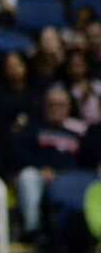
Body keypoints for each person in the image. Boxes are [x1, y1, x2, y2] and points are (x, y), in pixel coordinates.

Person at [13, 85, 83, 240]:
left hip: (71, 180)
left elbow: (84, 161)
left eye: (60, 105)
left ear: (68, 108)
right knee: (27, 176)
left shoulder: (77, 135)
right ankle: (33, 230)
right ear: (45, 107)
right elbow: (20, 153)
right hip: (41, 176)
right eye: (52, 105)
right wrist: (41, 168)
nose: (56, 109)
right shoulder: (34, 129)